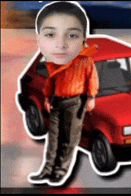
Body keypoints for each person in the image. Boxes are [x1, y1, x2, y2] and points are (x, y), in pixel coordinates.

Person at [29, 1, 99, 185]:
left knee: (69, 139)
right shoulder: (57, 59)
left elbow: (92, 78)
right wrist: (46, 96)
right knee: (53, 138)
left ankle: (60, 171)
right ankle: (46, 170)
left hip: (76, 102)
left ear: (83, 37)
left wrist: (91, 97)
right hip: (56, 100)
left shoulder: (85, 60)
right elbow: (51, 78)